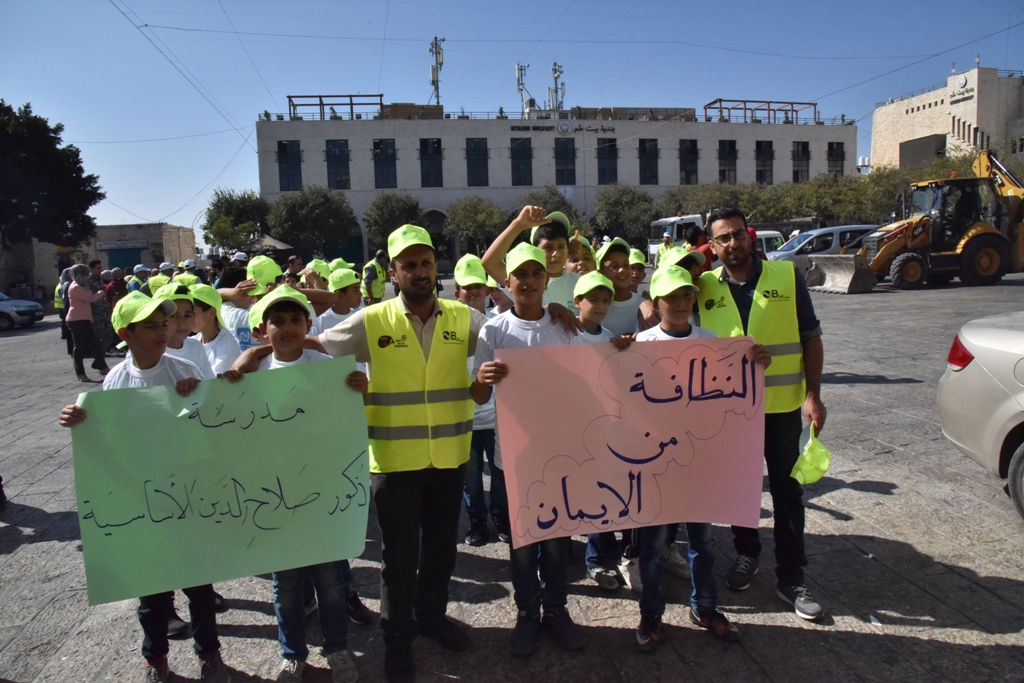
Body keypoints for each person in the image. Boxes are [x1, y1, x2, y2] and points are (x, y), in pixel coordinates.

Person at [236, 225, 488, 683]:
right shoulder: (373, 320)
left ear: (437, 267)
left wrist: (553, 310)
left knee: (440, 552)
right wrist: (257, 353)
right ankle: (398, 641)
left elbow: (508, 340)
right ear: (393, 272)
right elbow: (317, 344)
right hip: (394, 462)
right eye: (408, 265)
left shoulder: (463, 318)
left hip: (451, 456)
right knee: (397, 560)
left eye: (426, 263)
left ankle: (431, 618)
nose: (419, 272)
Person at [58, 292, 230, 683]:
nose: (162, 330)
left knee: (200, 588)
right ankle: (156, 660)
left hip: (188, 499)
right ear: (126, 333)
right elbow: (107, 438)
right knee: (152, 595)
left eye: (164, 323)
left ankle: (210, 655)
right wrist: (78, 420)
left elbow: (217, 429)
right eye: (150, 325)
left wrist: (199, 398)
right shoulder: (116, 380)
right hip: (143, 504)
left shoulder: (184, 369)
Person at [632, 265, 770, 651]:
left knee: (704, 542)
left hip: (699, 463)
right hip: (656, 465)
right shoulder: (639, 345)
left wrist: (757, 361)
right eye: (671, 297)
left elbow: (735, 396)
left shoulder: (715, 343)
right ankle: (651, 614)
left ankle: (705, 608)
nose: (679, 303)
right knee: (654, 547)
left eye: (686, 295)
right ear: (656, 302)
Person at [698, 207, 826, 621]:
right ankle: (746, 554)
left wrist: (814, 395)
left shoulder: (786, 277)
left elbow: (811, 337)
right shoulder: (701, 287)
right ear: (711, 245)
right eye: (723, 238)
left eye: (738, 235)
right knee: (741, 490)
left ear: (749, 237)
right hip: (730, 412)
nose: (733, 244)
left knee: (787, 493)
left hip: (782, 407)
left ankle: (791, 578)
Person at [472, 242, 587, 658]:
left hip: (559, 454)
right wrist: (484, 376)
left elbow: (588, 380)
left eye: (536, 274)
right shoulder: (493, 329)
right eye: (521, 274)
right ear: (508, 281)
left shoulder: (564, 326)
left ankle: (556, 611)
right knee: (522, 543)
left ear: (546, 280)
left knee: (557, 540)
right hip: (513, 457)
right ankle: (526, 613)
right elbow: (477, 395)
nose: (529, 281)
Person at [243, 286, 360, 683]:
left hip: (322, 495)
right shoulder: (251, 375)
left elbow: (347, 417)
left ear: (309, 325)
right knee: (286, 584)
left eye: (296, 320)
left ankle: (338, 650)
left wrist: (358, 389)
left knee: (330, 581)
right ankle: (292, 653)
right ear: (262, 331)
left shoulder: (326, 365)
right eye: (278, 321)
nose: (288, 328)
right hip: (273, 502)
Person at [453, 254, 508, 547]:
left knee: (500, 475)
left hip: (498, 417)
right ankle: (477, 522)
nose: (473, 291)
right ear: (456, 292)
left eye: (478, 285)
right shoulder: (445, 331)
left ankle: (500, 516)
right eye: (467, 287)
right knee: (471, 480)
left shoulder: (500, 324)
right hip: (465, 421)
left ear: (487, 291)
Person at [481, 209, 579, 311]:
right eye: (548, 248)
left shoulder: (580, 281)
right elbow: (489, 263)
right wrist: (519, 224)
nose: (556, 254)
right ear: (535, 251)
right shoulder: (525, 283)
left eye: (561, 247)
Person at [66, 264, 111, 382]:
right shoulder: (75, 287)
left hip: (85, 319)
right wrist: (101, 293)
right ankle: (80, 373)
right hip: (76, 320)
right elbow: (90, 298)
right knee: (79, 347)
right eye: (85, 273)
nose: (87, 276)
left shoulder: (82, 285)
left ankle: (103, 367)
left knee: (95, 344)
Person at [189, 284, 242, 376]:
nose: (188, 319)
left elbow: (211, 382)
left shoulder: (227, 345)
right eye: (187, 314)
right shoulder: (193, 341)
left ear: (211, 312)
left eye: (192, 314)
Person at [313, 268, 363, 337]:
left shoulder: (361, 315)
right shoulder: (320, 320)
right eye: (355, 290)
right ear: (339, 294)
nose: (361, 294)